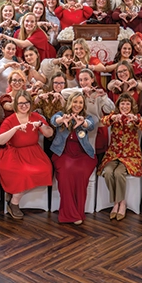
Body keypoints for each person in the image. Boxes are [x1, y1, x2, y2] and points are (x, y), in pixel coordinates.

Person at [0, 90, 54, 219]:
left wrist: (41, 125)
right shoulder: (9, 120)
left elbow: (49, 133)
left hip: (33, 152)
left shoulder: (36, 116)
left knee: (46, 169)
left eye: (26, 103)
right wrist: (15, 129)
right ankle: (14, 202)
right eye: (21, 103)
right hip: (13, 153)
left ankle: (13, 195)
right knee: (23, 172)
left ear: (30, 103)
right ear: (16, 104)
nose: (24, 106)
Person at [49, 94, 98, 225]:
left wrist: (83, 122)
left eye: (81, 102)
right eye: (75, 101)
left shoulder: (86, 117)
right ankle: (69, 214)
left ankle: (78, 212)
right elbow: (53, 120)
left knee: (80, 173)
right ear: (70, 102)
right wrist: (62, 120)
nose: (78, 104)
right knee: (66, 173)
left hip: (83, 155)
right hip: (63, 153)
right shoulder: (61, 114)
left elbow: (91, 125)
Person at [100, 93, 142, 220]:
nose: (125, 106)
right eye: (122, 103)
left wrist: (136, 120)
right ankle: (118, 201)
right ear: (118, 105)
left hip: (130, 156)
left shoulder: (136, 117)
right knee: (108, 172)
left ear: (132, 105)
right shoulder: (114, 115)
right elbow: (103, 121)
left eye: (128, 103)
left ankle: (120, 204)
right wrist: (113, 118)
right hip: (113, 154)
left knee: (118, 173)